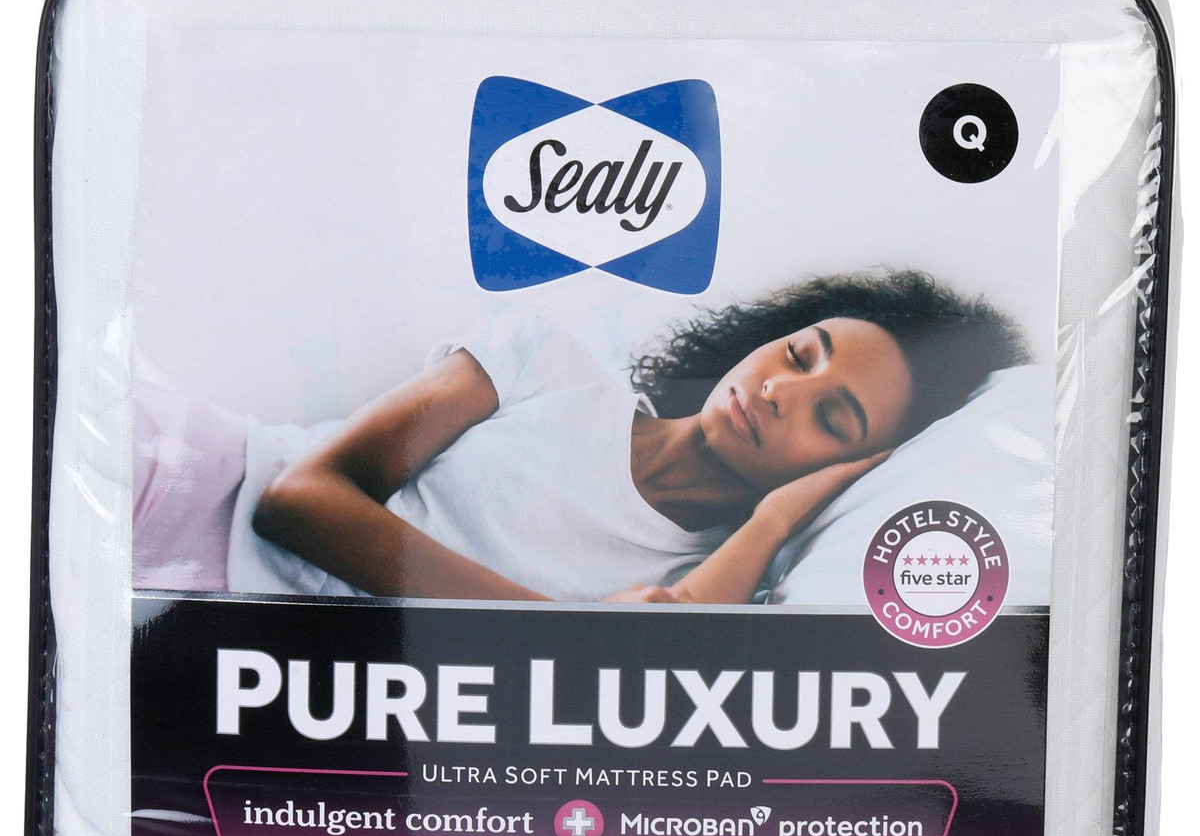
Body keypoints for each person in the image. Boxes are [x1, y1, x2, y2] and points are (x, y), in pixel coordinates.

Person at [133, 271, 1027, 604]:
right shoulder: (546, 362)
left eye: (831, 418)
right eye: (798, 353)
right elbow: (298, 500)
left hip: (234, 667)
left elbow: (652, 656)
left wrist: (772, 523)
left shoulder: (704, 580)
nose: (778, 390)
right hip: (180, 486)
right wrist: (544, 632)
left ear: (850, 468)